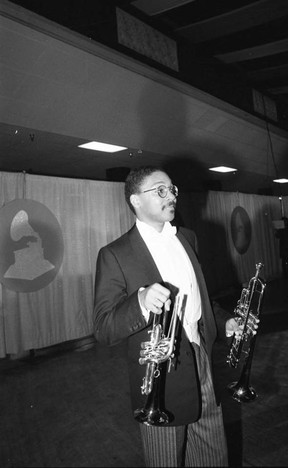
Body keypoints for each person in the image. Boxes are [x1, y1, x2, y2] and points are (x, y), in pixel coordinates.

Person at [93, 165, 241, 467]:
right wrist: (141, 301)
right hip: (161, 380)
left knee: (214, 457)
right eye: (160, 190)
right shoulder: (114, 254)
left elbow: (198, 297)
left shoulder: (187, 237)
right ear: (135, 200)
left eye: (172, 189)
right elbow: (103, 327)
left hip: (202, 359)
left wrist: (224, 321)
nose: (171, 195)